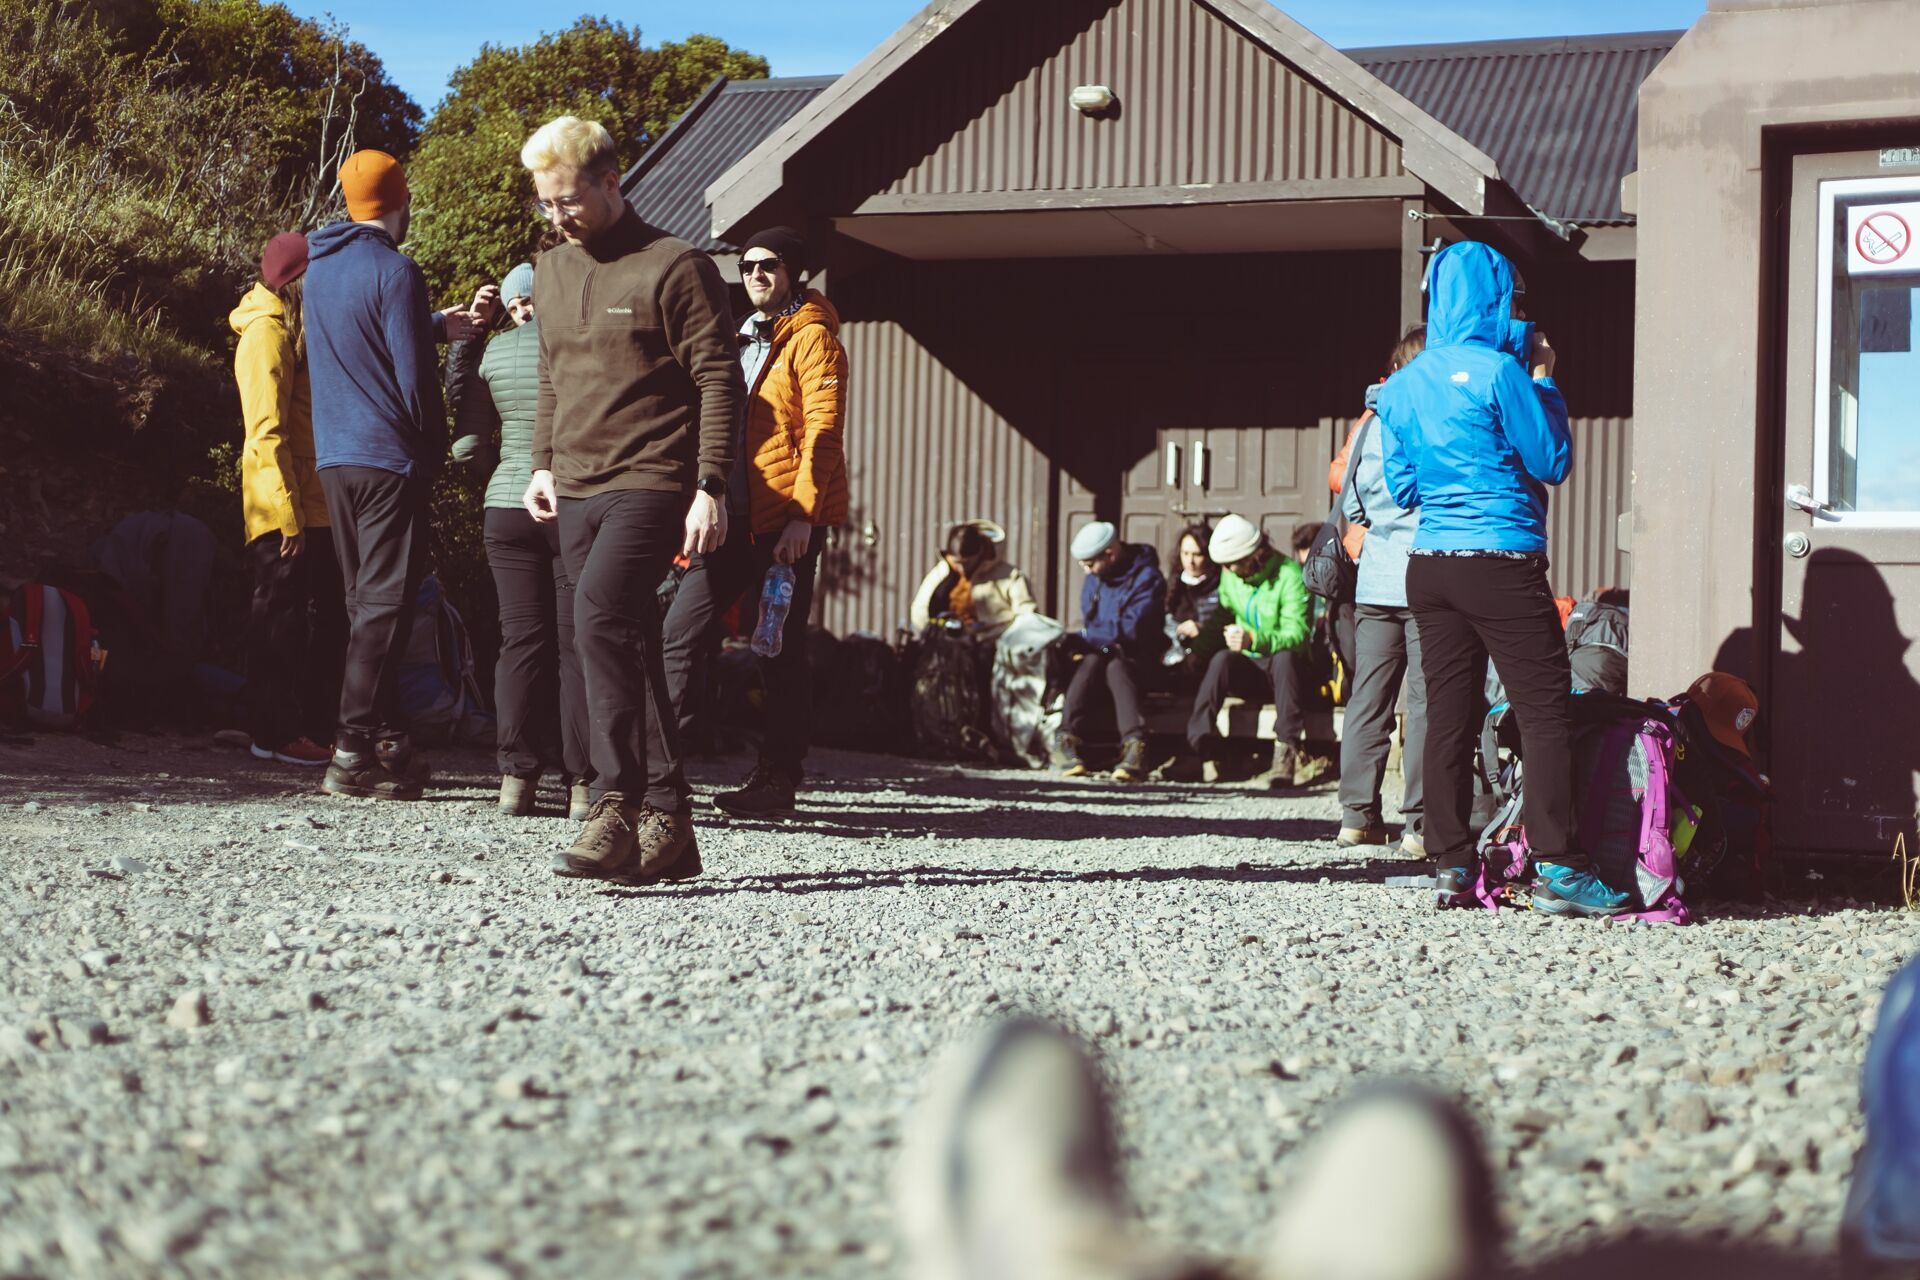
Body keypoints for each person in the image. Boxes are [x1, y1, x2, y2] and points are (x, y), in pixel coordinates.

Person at [1377, 240, 1628, 917]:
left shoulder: (1401, 386)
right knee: (1545, 712)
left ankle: (1452, 865)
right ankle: (1561, 865)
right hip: (1501, 562)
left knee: (1448, 717)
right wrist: (1543, 378)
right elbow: (1552, 460)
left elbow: (1402, 489)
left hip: (1431, 566)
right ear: (1494, 300)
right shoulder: (1500, 372)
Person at [520, 116, 740, 885]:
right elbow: (552, 374)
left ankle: (614, 802)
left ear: (611, 183)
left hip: (652, 477)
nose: (557, 216)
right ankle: (669, 820)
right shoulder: (549, 270)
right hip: (574, 482)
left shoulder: (675, 265)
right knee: (625, 639)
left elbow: (719, 378)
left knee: (600, 614)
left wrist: (711, 485)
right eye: (545, 202)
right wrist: (542, 463)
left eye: (569, 200)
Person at [304, 149, 492, 802]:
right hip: (389, 458)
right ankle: (352, 750)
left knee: (366, 605)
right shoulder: (398, 270)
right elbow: (413, 381)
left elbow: (362, 339)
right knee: (386, 607)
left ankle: (388, 742)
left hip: (336, 458)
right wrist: (436, 450)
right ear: (401, 201)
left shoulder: (319, 269)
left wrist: (437, 325)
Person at [661, 226, 848, 820]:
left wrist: (803, 518)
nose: (756, 276)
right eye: (746, 267)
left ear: (794, 271)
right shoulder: (739, 335)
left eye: (768, 265)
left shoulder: (814, 338)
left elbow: (822, 433)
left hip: (782, 523)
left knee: (777, 648)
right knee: (678, 631)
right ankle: (656, 769)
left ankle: (777, 779)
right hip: (729, 518)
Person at [450, 260, 592, 820]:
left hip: (507, 508)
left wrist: (504, 474)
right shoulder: (580, 343)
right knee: (576, 644)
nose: (523, 312)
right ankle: (582, 785)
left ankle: (516, 779)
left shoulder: (495, 351)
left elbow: (465, 446)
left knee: (520, 642)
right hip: (569, 505)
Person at [230, 233, 346, 767]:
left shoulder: (291, 330)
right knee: (279, 619)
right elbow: (265, 432)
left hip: (307, 501)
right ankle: (273, 734)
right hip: (281, 504)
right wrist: (286, 516)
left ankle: (300, 727)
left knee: (312, 618)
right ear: (297, 282)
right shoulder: (266, 335)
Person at [1335, 325, 1429, 856]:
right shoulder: (1436, 417)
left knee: (1367, 700)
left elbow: (1351, 503)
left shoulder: (1370, 423)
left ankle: (1357, 818)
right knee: (1426, 703)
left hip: (1375, 580)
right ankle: (1420, 825)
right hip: (1428, 577)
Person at [1186, 514, 1311, 787]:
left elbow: (1298, 635)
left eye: (1232, 563)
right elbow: (1222, 615)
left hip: (1287, 673)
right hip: (1250, 667)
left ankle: (1286, 750)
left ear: (1254, 555)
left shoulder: (1289, 575)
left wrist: (1253, 639)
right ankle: (1203, 747)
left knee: (1285, 658)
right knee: (1221, 660)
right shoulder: (1230, 575)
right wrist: (1198, 652)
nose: (1228, 570)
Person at [1054, 520, 1167, 784]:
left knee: (1116, 666)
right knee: (1093, 661)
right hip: (1102, 657)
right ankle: (1065, 739)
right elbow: (1093, 622)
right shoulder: (1095, 579)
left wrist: (1086, 637)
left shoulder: (1148, 579)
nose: (1086, 571)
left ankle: (1135, 747)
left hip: (1139, 661)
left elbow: (1132, 629)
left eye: (1090, 564)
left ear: (1110, 554)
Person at [909, 520, 1037, 645]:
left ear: (981, 552)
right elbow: (920, 610)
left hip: (995, 646)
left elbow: (1027, 616)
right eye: (958, 563)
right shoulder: (941, 572)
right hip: (946, 645)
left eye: (967, 562)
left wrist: (997, 637)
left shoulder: (1010, 576)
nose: (962, 568)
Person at [1164, 523, 1220, 666]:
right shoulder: (1174, 584)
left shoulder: (1220, 587)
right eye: (1185, 553)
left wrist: (1202, 629)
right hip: (1173, 658)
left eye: (1197, 554)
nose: (1190, 561)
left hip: (1206, 658)